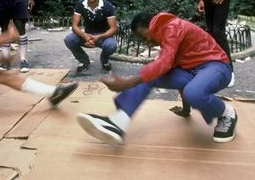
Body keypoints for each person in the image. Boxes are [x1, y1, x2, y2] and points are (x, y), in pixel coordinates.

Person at [77, 12, 237, 144]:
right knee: (150, 75)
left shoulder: (173, 27)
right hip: (192, 71)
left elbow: (165, 62)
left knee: (191, 91)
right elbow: (169, 67)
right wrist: (186, 108)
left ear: (150, 26)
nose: (146, 42)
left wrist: (127, 83)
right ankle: (118, 122)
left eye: (143, 36)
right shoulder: (165, 34)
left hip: (216, 66)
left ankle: (227, 113)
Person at [64, 0, 117, 73]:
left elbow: (113, 28)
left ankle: (104, 60)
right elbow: (74, 26)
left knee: (111, 45)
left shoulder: (107, 6)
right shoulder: (81, 4)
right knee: (69, 39)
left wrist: (98, 37)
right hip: (87, 36)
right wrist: (85, 36)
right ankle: (84, 61)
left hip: (102, 37)